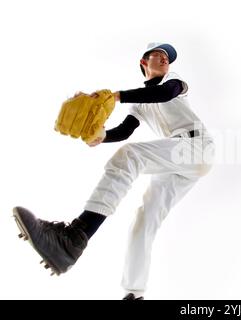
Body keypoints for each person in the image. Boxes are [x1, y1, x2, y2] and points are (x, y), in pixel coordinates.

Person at [13, 42, 215, 300]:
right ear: (144, 62)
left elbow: (165, 93)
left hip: (197, 146)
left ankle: (75, 236)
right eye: (158, 55)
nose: (165, 59)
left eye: (167, 57)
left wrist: (116, 95)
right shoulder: (140, 105)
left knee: (132, 156)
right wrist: (101, 136)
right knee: (144, 221)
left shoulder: (174, 81)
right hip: (178, 159)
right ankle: (134, 292)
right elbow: (124, 131)